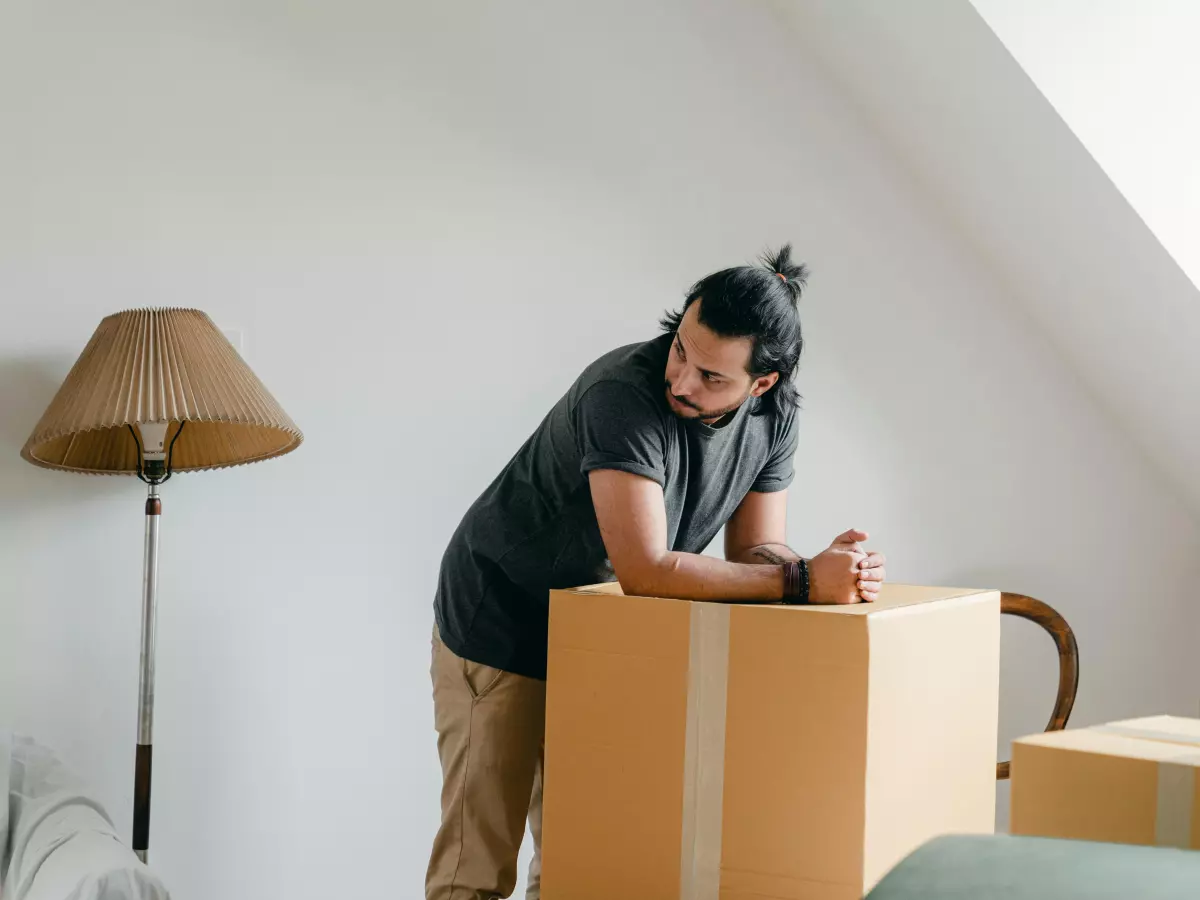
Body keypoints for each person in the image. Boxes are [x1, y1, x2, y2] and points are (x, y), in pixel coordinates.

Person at [426, 245, 887, 900]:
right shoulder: (624, 394)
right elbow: (643, 568)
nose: (681, 382)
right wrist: (803, 583)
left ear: (762, 385)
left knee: (579, 860)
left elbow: (756, 552)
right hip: (500, 619)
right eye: (680, 351)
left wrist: (822, 568)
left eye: (711, 377)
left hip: (595, 636)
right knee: (474, 871)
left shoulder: (775, 421)